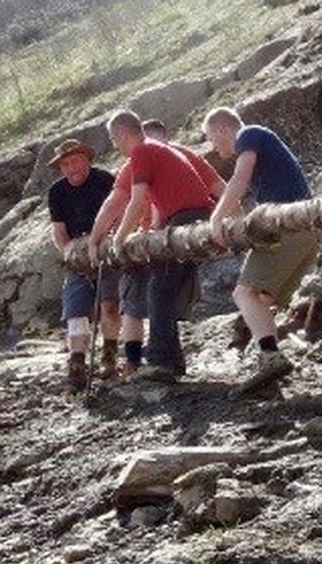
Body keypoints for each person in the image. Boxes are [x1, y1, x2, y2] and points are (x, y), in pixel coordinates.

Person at [87, 109, 217, 383]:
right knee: (163, 288)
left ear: (123, 133)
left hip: (187, 217)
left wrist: (119, 241)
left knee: (159, 287)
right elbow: (132, 202)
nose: (114, 145)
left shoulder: (143, 152)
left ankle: (161, 361)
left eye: (113, 138)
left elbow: (135, 203)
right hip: (185, 216)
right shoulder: (153, 151)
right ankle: (170, 360)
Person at [203, 107, 321, 394]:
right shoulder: (262, 150)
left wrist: (216, 219)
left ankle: (270, 357)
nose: (214, 148)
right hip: (307, 231)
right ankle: (267, 356)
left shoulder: (248, 134)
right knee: (263, 297)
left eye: (212, 139)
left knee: (244, 293)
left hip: (289, 227)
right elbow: (247, 198)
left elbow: (239, 180)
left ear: (222, 129)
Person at [45, 138, 121, 389]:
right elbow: (58, 230)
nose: (70, 168)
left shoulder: (105, 180)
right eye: (64, 164)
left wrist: (109, 243)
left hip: (107, 248)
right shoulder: (56, 192)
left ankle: (109, 357)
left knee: (109, 305)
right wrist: (69, 251)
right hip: (77, 252)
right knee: (75, 311)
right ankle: (77, 363)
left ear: (86, 159)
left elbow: (118, 212)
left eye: (75, 161)